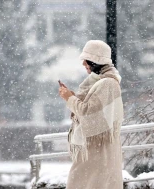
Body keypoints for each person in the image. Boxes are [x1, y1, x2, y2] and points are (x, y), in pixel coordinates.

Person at [59, 40, 124, 189]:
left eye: (86, 60)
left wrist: (69, 98)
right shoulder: (98, 83)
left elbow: (88, 112)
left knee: (85, 182)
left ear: (96, 61)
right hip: (95, 149)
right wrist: (72, 97)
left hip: (98, 151)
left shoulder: (107, 84)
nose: (83, 64)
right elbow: (91, 110)